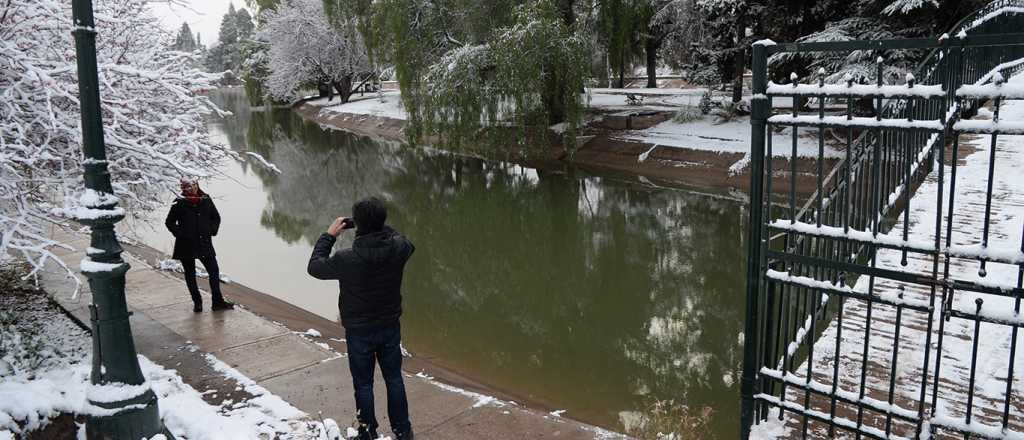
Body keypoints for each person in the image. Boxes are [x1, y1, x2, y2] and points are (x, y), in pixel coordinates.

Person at [307, 197, 415, 440]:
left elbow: (314, 267)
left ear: (358, 224)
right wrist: (378, 228)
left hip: (359, 331)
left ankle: (367, 433)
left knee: (363, 384)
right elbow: (404, 241)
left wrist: (329, 235)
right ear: (383, 221)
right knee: (394, 379)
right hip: (389, 326)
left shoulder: (346, 259)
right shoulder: (398, 249)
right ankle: (403, 431)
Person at [164, 178, 234, 312]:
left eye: (191, 186)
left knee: (214, 271)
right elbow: (169, 222)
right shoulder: (178, 201)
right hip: (186, 244)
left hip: (204, 242)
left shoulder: (206, 199)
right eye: (185, 187)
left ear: (196, 186)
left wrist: (211, 230)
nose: (189, 189)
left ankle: (217, 302)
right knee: (190, 274)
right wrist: (180, 234)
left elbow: (216, 217)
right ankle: (197, 302)